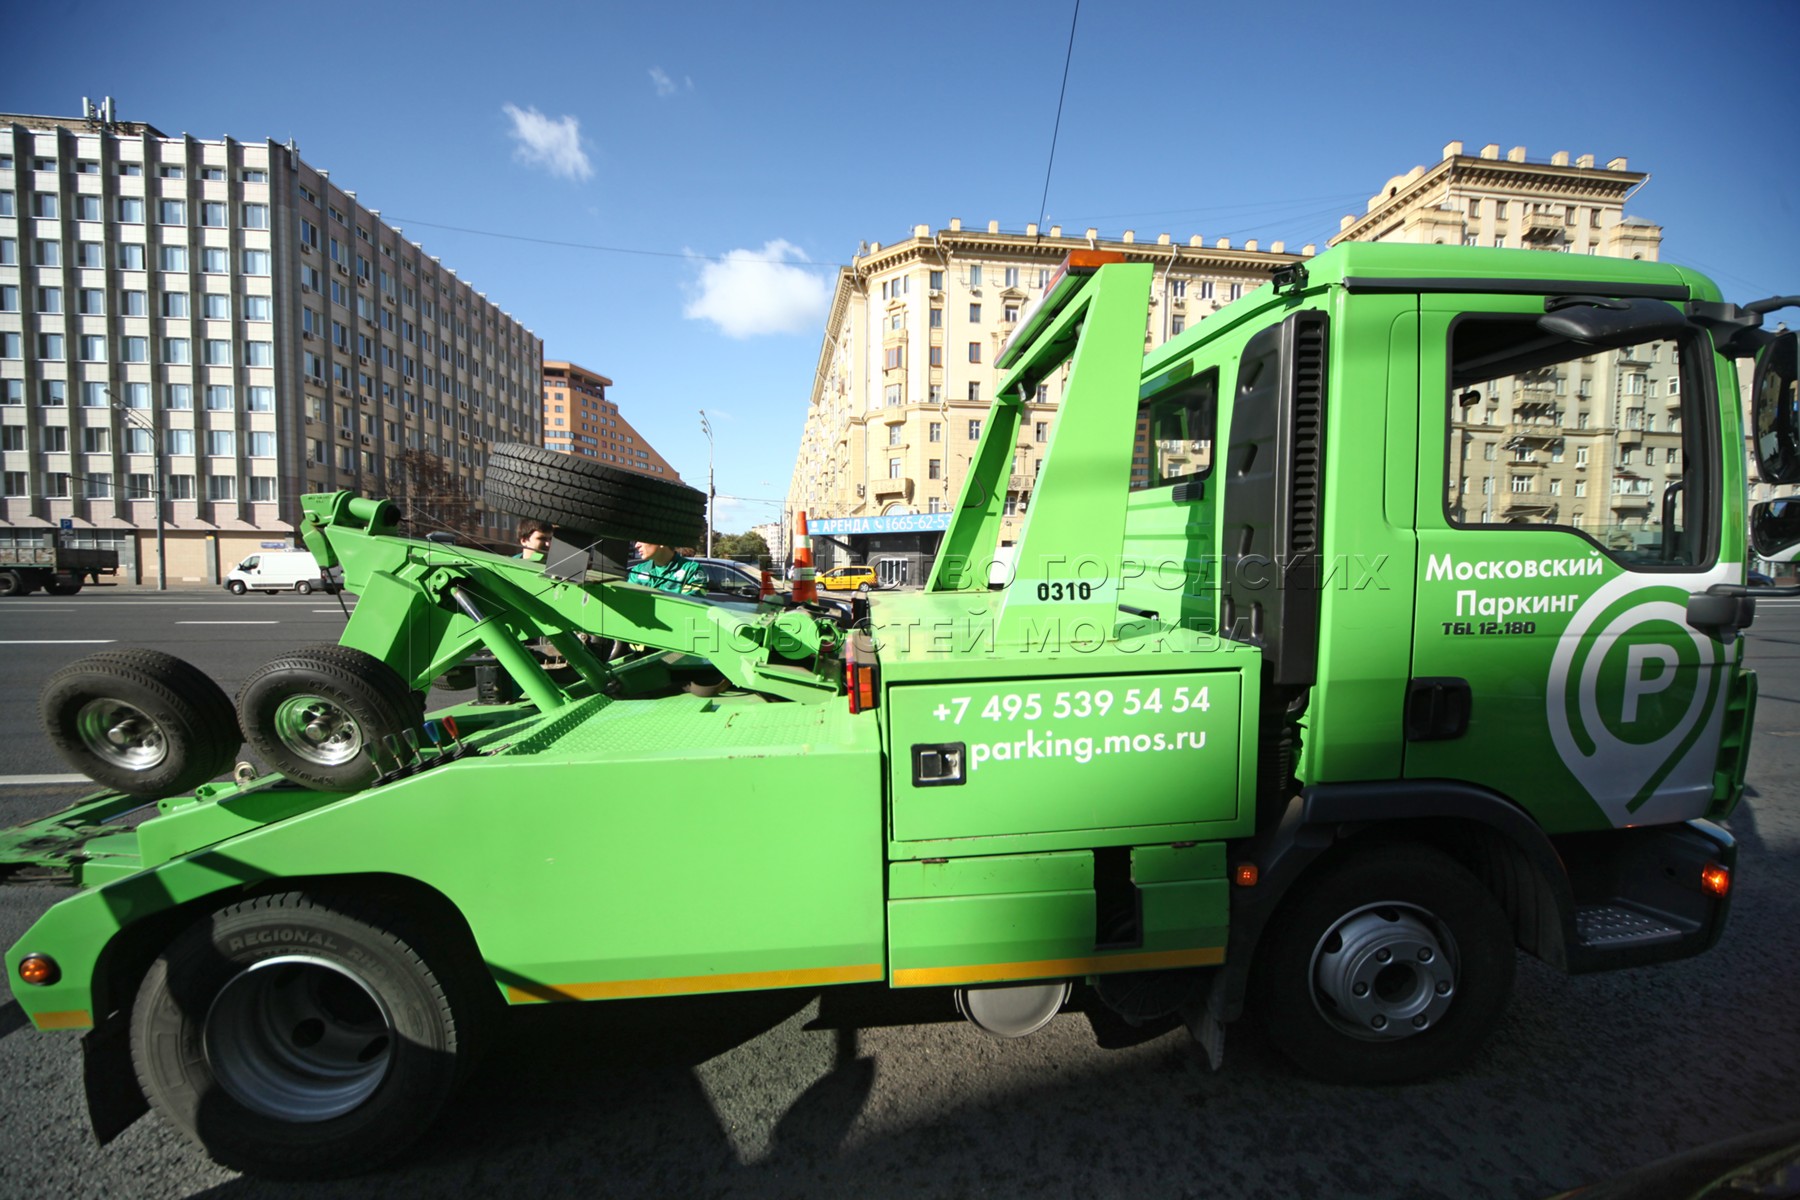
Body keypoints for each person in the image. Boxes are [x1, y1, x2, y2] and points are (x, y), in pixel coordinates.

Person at [626, 541, 705, 595]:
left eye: (642, 539)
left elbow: (690, 605)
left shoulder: (692, 569)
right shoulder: (637, 570)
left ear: (661, 542)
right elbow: (629, 601)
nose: (636, 545)